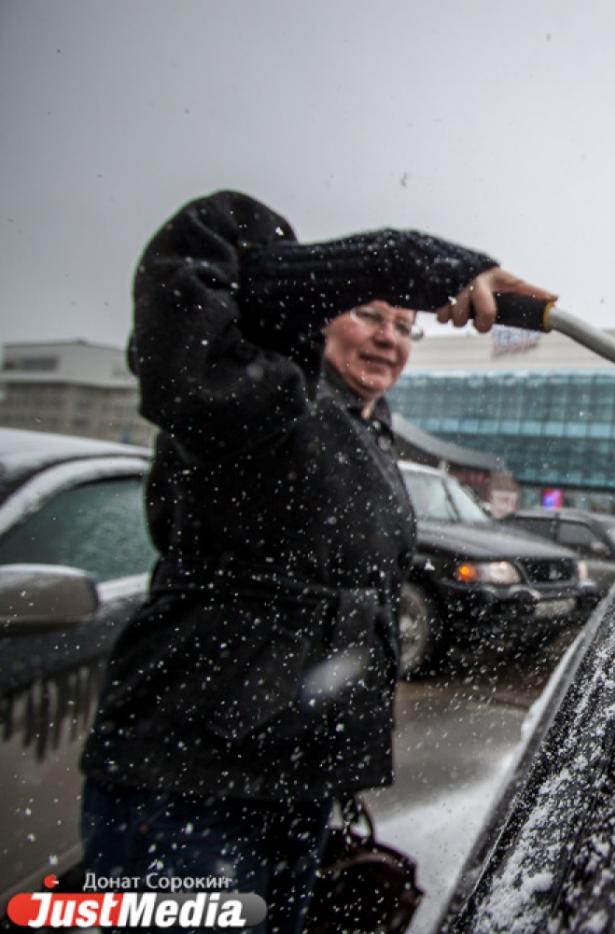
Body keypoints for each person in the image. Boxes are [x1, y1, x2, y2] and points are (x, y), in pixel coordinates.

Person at [79, 190, 554, 933]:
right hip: (189, 786)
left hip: (297, 788)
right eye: (369, 314)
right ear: (314, 315)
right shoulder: (258, 395)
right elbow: (207, 288)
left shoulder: (373, 435)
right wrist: (411, 264)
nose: (390, 338)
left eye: (404, 325)